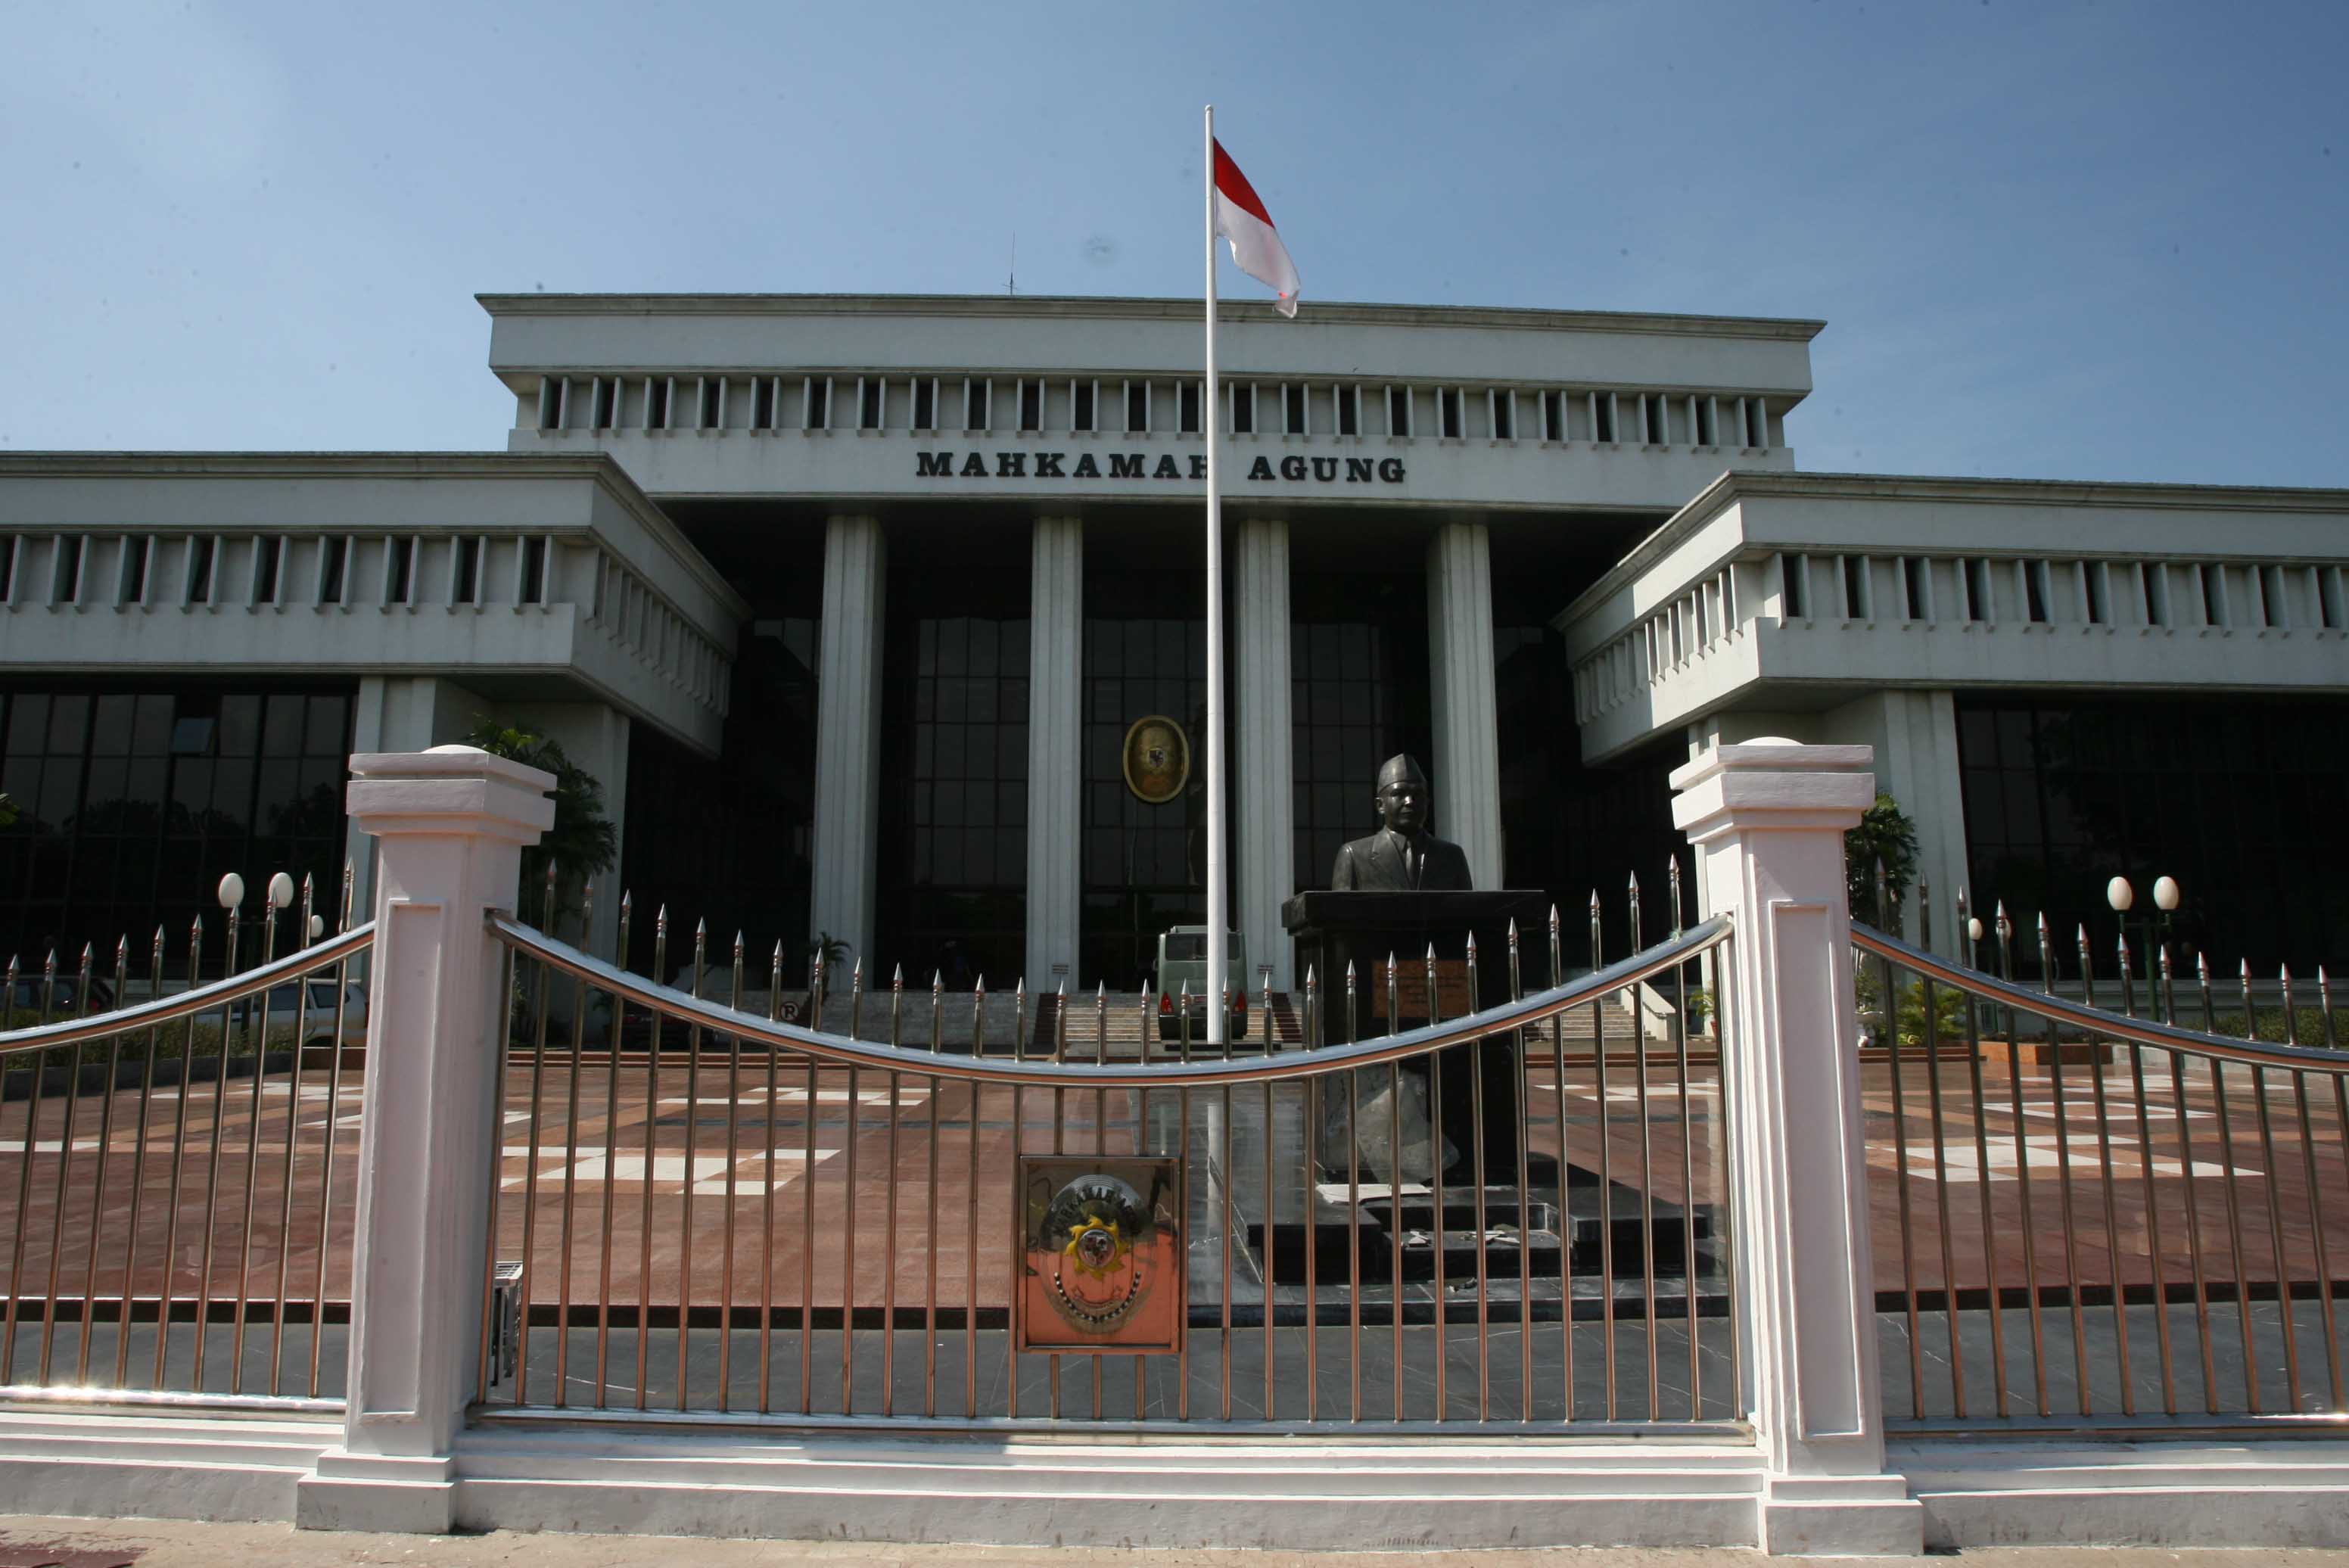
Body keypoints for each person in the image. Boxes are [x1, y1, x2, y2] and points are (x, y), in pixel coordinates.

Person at [1328, 753, 1473, 892]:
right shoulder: (1354, 856)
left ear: (1427, 802)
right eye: (1399, 794)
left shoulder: (1452, 857)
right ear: (1380, 805)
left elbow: (1468, 907)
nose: (1410, 801)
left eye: (1417, 794)